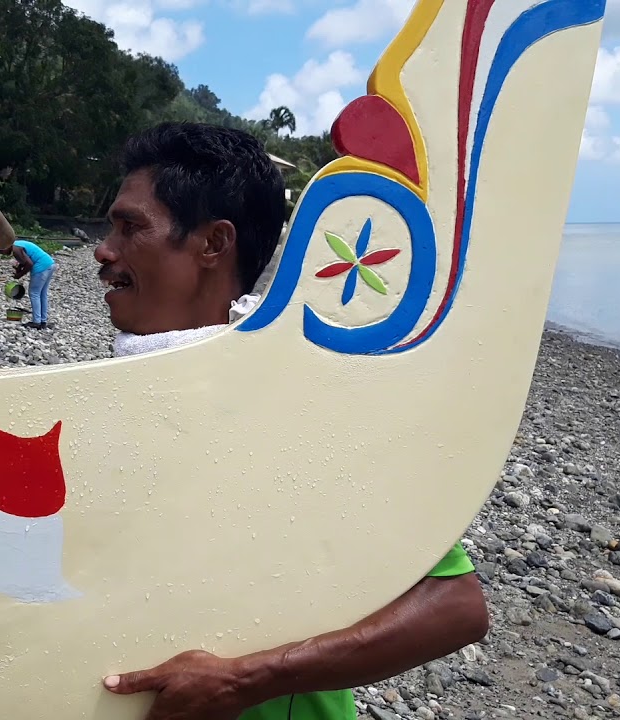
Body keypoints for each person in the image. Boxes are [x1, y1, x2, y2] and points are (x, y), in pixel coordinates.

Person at [95, 123, 490, 720]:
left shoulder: (301, 407)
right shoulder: (106, 398)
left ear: (212, 245)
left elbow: (455, 605)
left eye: (131, 227)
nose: (104, 249)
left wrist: (242, 681)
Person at [0, 239, 55, 329]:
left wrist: (19, 275)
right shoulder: (17, 244)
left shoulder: (15, 249)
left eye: (2, 252)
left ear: (3, 247)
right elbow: (25, 260)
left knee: (34, 293)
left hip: (41, 267)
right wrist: (19, 268)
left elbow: (29, 264)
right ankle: (43, 321)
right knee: (42, 294)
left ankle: (36, 322)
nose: (4, 254)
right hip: (49, 264)